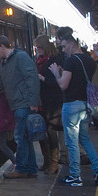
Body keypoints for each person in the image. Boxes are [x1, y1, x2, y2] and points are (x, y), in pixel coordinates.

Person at [48, 27, 98, 187]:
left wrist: (56, 73)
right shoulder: (89, 60)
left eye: (64, 46)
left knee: (72, 142)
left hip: (71, 105)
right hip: (86, 105)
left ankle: (75, 176)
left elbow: (63, 85)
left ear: (72, 44)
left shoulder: (71, 60)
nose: (64, 50)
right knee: (85, 139)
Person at [0, 35, 41, 179]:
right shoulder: (5, 63)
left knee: (19, 137)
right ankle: (31, 168)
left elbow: (32, 78)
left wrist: (33, 101)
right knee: (25, 137)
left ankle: (21, 169)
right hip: (17, 104)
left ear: (2, 46)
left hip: (23, 104)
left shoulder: (21, 58)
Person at [34, 35, 62, 175]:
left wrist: (42, 78)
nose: (37, 50)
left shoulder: (55, 61)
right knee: (40, 131)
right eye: (36, 48)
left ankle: (54, 163)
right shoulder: (38, 61)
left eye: (39, 47)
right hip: (40, 101)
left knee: (51, 132)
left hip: (52, 102)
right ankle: (46, 160)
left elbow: (59, 83)